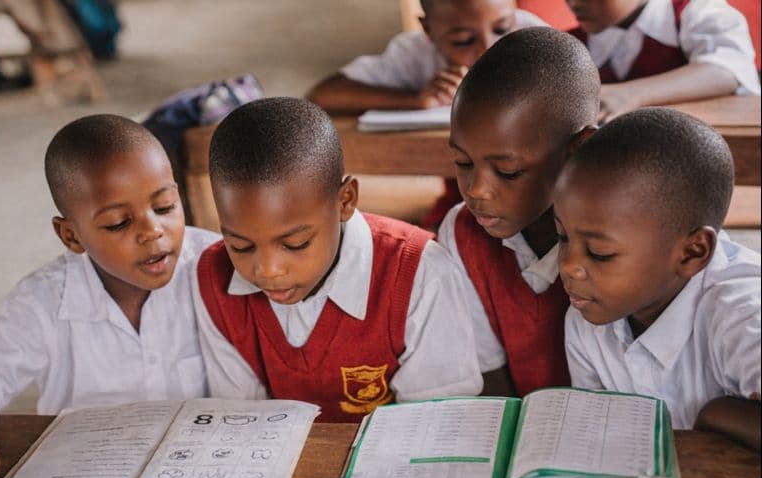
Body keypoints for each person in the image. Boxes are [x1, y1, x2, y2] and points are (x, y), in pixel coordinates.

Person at [0, 114, 218, 478]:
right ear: (71, 235)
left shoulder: (215, 267)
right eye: (118, 223)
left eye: (164, 207)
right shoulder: (46, 300)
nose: (152, 232)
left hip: (197, 473)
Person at [194, 97, 483, 422]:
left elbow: (434, 424)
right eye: (241, 246)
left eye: (295, 243)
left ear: (345, 200)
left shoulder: (419, 273)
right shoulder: (214, 277)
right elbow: (241, 422)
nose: (267, 270)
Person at [555, 107, 761, 451]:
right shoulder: (586, 320)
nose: (569, 266)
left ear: (691, 253)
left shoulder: (743, 313)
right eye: (562, 237)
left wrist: (715, 416)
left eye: (600, 253)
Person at [437, 27, 600, 397]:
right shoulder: (462, 233)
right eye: (463, 162)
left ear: (575, 151)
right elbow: (487, 376)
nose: (476, 190)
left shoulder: (618, 240)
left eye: (508, 172)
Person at [307, 0, 547, 229]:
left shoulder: (537, 40)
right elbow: (324, 94)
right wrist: (414, 99)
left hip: (537, 195)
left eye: (502, 29)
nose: (488, 49)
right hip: (459, 196)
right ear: (428, 30)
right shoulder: (415, 52)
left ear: (514, 11)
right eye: (463, 40)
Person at [566, 0, 761, 123]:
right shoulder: (569, 42)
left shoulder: (695, 12)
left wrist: (629, 94)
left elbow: (729, 69)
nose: (575, 4)